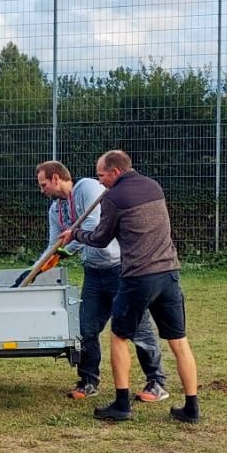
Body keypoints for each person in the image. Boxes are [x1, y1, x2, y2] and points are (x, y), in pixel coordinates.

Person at [60, 148, 201, 424]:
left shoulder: (114, 198)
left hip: (138, 277)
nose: (100, 181)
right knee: (179, 341)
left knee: (118, 337)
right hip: (169, 273)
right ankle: (191, 407)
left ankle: (122, 404)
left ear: (115, 172)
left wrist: (75, 234)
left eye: (102, 175)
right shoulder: (154, 187)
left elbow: (100, 238)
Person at [35, 160, 166, 403]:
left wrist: (66, 250)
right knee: (86, 328)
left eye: (44, 185)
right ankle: (88, 381)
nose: (42, 190)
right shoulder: (55, 210)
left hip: (119, 270)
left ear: (55, 178)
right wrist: (36, 269)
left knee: (138, 327)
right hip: (93, 273)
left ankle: (156, 382)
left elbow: (93, 228)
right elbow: (54, 244)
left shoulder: (87, 188)